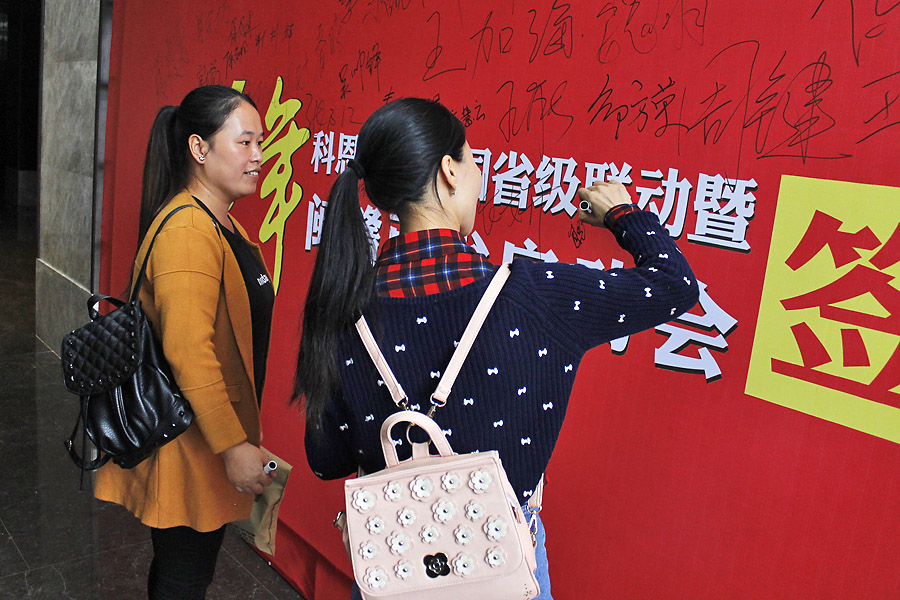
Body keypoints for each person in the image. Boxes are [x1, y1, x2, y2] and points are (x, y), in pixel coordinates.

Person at [294, 97, 699, 599]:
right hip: (500, 567)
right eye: (472, 159)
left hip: (394, 570)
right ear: (449, 171)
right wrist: (622, 213)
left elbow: (326, 459)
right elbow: (675, 284)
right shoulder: (536, 297)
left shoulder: (340, 309)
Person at [94, 85, 275, 599]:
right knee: (183, 578)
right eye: (244, 142)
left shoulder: (220, 223)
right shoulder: (189, 230)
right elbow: (188, 350)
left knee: (185, 573)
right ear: (199, 148)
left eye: (260, 142)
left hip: (204, 433)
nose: (258, 156)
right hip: (188, 442)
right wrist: (232, 445)